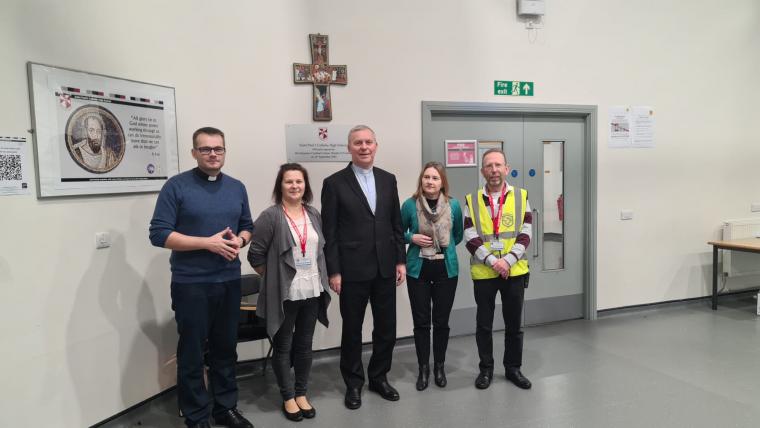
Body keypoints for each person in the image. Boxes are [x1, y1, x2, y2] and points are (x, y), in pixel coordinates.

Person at [149, 127, 254, 428]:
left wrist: (240, 241)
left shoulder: (236, 187)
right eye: (205, 149)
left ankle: (225, 408)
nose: (212, 154)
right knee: (192, 352)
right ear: (194, 153)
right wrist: (207, 243)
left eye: (218, 148)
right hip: (191, 283)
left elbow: (248, 226)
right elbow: (159, 234)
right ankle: (196, 416)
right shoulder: (176, 186)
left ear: (224, 151)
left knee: (225, 349)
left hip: (229, 281)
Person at [321, 125, 406, 410]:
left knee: (386, 328)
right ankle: (354, 383)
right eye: (358, 143)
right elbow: (330, 232)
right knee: (352, 330)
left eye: (369, 142)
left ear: (376, 146)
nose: (364, 147)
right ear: (349, 148)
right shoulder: (334, 183)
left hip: (385, 267)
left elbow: (395, 223)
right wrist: (334, 271)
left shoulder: (388, 179)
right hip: (351, 270)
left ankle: (379, 377)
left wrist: (400, 260)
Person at [247, 163, 331, 422]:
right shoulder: (270, 216)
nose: (295, 186)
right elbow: (255, 255)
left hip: (312, 289)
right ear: (280, 186)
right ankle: (288, 396)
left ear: (305, 185)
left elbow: (319, 251)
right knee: (283, 346)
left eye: (299, 181)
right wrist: (275, 279)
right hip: (286, 294)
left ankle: (301, 393)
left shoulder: (313, 213)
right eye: (289, 181)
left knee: (304, 345)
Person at [463, 148, 533, 391]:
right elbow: (469, 236)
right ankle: (486, 369)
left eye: (498, 165)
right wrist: (494, 262)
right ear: (483, 171)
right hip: (485, 272)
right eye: (489, 166)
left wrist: (509, 260)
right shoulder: (472, 199)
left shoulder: (521, 196)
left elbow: (526, 232)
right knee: (484, 324)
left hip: (514, 271)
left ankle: (513, 368)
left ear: (506, 168)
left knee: (514, 325)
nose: (494, 170)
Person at [400, 162, 463, 391]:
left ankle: (439, 367)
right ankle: (423, 369)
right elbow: (397, 232)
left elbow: (457, 235)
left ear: (442, 182)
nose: (430, 181)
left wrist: (441, 244)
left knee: (441, 322)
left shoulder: (453, 205)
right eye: (426, 177)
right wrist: (412, 238)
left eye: (435, 178)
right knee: (421, 323)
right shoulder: (409, 205)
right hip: (418, 271)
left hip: (446, 270)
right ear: (421, 180)